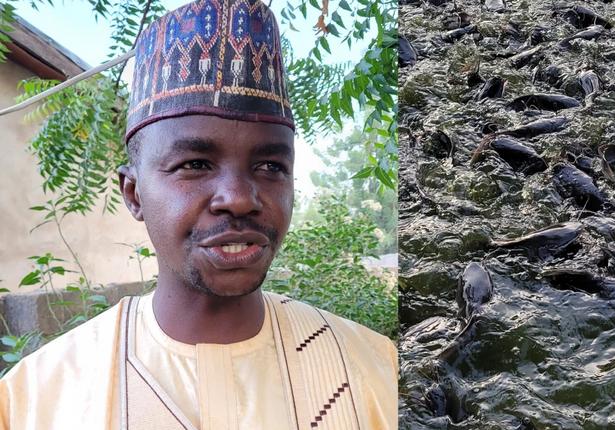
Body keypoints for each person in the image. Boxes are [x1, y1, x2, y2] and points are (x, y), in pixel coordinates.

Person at [0, 1, 397, 428]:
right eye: (195, 164)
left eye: (270, 167)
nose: (240, 198)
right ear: (133, 193)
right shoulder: (34, 399)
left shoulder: (378, 371)